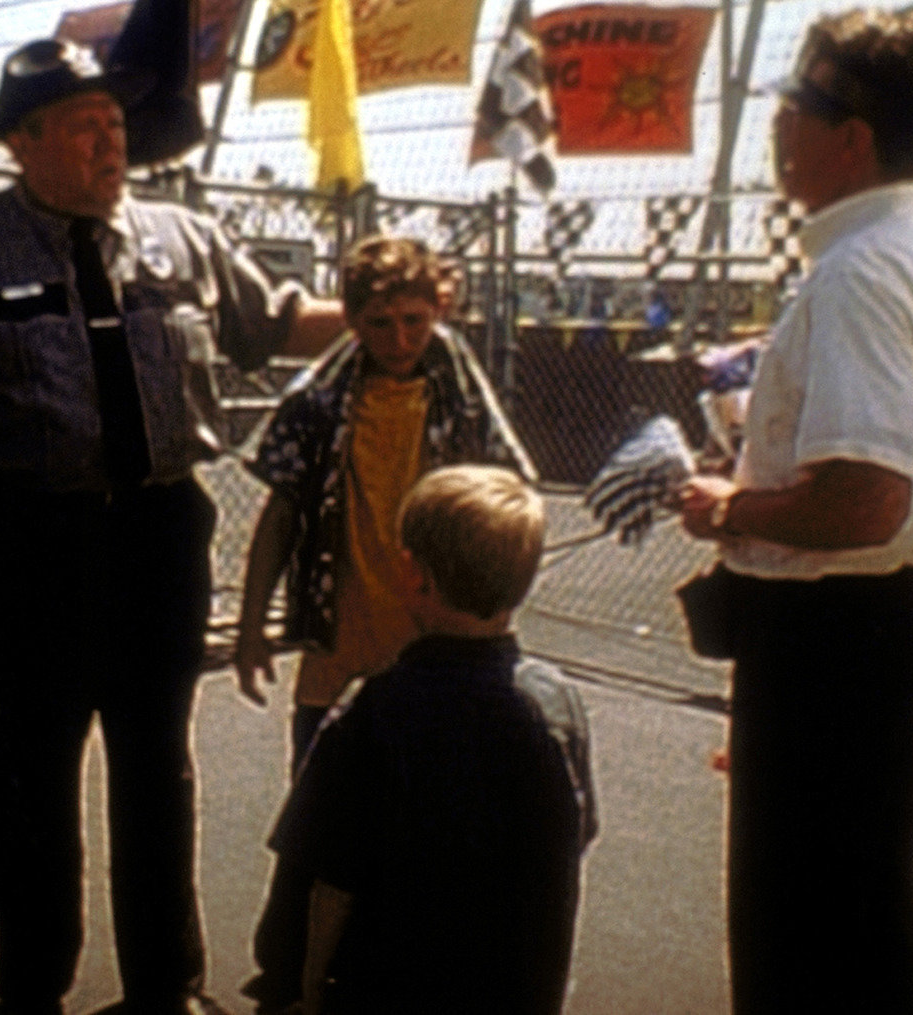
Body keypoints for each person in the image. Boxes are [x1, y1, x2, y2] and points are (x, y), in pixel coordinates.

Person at [0, 39, 342, 1015]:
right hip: (28, 546)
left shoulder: (181, 237)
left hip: (159, 536)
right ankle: (33, 984)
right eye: (84, 127)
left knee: (158, 765)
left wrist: (378, 305)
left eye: (114, 124)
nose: (109, 143)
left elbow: (271, 324)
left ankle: (166, 984)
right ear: (23, 143)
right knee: (36, 771)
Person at [677, 10, 913, 1013]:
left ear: (851, 135)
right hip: (890, 621)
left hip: (832, 636)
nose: (778, 121)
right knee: (868, 928)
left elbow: (865, 498)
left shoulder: (860, 272)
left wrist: (730, 505)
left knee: (797, 945)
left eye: (795, 100)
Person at [234, 235, 533, 1011]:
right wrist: (253, 624)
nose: (400, 339)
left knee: (425, 821)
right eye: (379, 323)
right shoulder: (318, 401)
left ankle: (393, 966)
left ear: (439, 312)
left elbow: (509, 494)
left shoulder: (459, 394)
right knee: (315, 818)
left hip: (433, 647)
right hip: (341, 642)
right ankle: (286, 965)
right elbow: (281, 511)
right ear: (351, 320)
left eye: (415, 321)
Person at [266, 464, 597, 1015]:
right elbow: (575, 837)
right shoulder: (558, 708)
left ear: (412, 573)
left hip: (386, 990)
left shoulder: (374, 710)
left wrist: (311, 983)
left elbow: (331, 877)